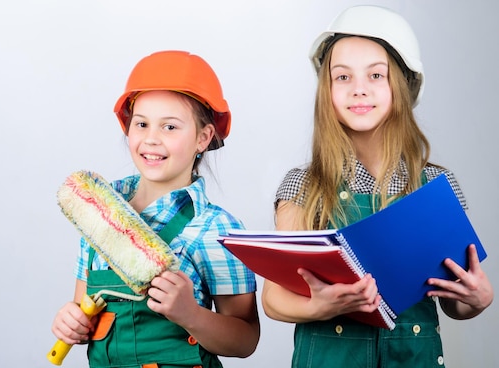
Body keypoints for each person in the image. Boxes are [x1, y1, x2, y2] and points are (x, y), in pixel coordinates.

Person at [261, 5, 493, 367]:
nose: (359, 90)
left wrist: (476, 299)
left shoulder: (436, 185)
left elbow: (454, 299)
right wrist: (317, 306)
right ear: (327, 89)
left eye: (375, 75)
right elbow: (273, 299)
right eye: (343, 77)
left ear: (399, 84)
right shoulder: (302, 185)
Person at [51, 50, 260, 368]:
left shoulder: (216, 229)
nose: (151, 139)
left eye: (170, 127)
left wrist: (191, 315)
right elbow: (83, 305)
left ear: (203, 138)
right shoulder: (99, 210)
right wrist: (72, 319)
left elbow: (245, 339)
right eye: (142, 124)